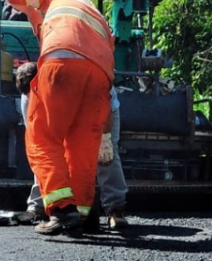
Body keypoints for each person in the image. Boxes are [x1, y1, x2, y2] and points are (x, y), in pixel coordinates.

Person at [4, 0, 115, 237]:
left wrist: (31, 10)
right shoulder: (94, 12)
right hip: (101, 76)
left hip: (63, 61)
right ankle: (84, 214)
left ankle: (62, 210)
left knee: (42, 137)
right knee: (83, 148)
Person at [19, 85, 129, 230]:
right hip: (66, 109)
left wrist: (105, 138)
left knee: (106, 156)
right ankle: (39, 206)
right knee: (44, 153)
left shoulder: (82, 82)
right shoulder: (29, 97)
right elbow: (39, 143)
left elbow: (104, 107)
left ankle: (115, 210)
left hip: (98, 109)